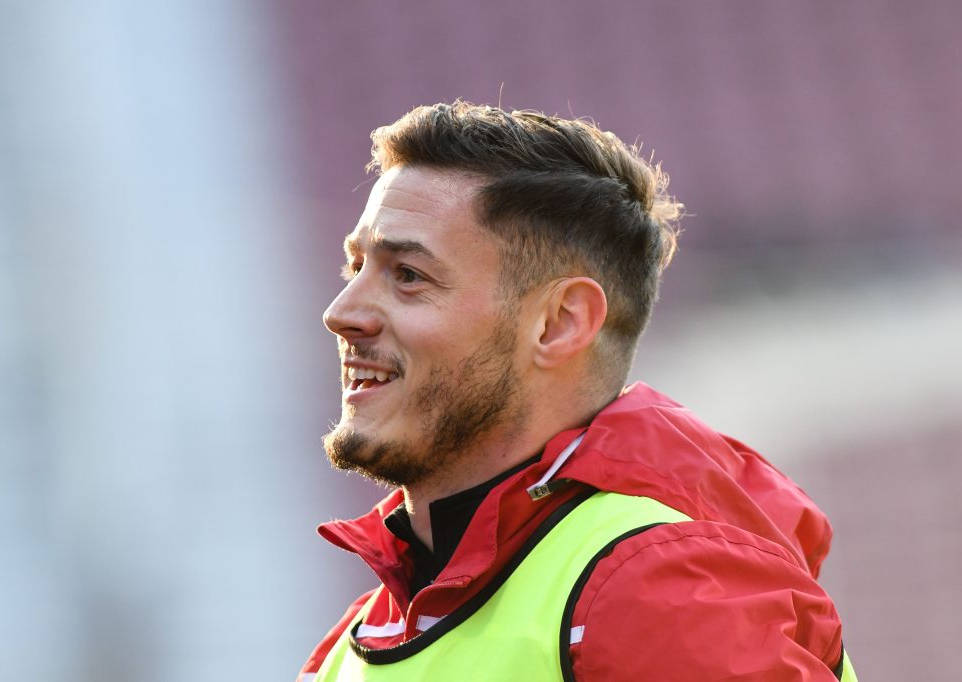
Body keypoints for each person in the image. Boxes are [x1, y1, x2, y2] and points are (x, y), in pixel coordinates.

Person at [298, 101, 858, 681]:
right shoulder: (352, 644)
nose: (341, 313)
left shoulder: (656, 586)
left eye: (408, 275)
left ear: (560, 323)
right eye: (356, 268)